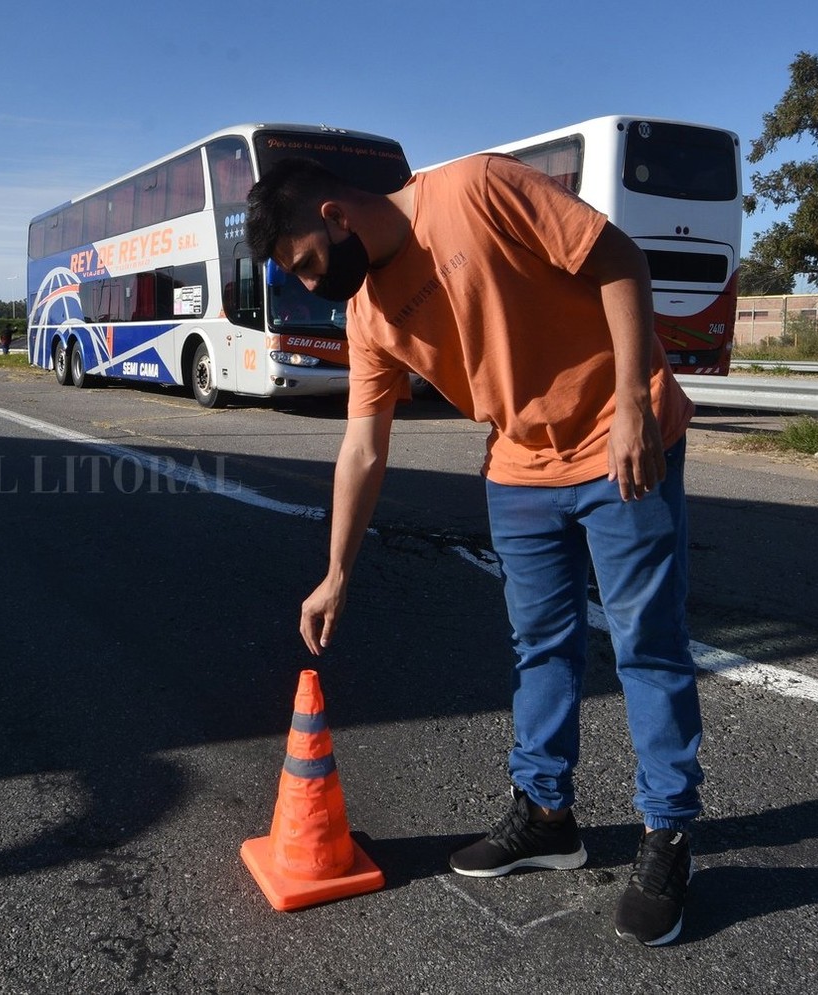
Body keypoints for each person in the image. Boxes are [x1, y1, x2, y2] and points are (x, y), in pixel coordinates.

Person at [247, 154, 702, 948]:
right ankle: (546, 817)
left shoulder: (474, 188)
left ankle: (665, 834)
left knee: (646, 645)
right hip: (518, 468)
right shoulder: (367, 315)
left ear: (335, 214)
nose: (315, 284)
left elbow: (618, 258)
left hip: (620, 444)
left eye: (309, 263)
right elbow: (362, 448)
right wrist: (335, 573)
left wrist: (633, 399)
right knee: (540, 646)